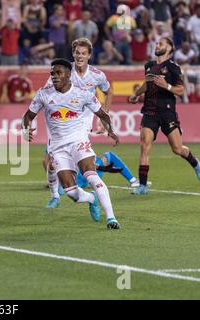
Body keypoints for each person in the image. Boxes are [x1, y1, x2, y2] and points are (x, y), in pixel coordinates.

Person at [22, 58, 121, 230]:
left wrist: (110, 129)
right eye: (52, 73)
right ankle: (91, 199)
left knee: (91, 176)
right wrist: (26, 130)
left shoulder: (83, 94)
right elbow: (27, 116)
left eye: (58, 73)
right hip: (58, 148)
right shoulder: (44, 94)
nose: (54, 76)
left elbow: (103, 114)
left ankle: (111, 218)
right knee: (72, 193)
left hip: (79, 142)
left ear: (69, 74)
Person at [43, 38, 114, 209]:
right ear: (73, 54)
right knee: (50, 162)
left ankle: (82, 188)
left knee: (75, 156)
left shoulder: (97, 75)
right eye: (77, 53)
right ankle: (55, 195)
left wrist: (104, 115)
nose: (79, 56)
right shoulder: (64, 71)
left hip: (82, 121)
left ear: (89, 55)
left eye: (83, 53)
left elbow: (109, 92)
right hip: (61, 120)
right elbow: (47, 91)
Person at [128, 37, 200, 195]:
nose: (157, 45)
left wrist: (166, 85)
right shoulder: (149, 66)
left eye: (161, 43)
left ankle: (196, 164)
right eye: (157, 43)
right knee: (144, 144)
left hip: (167, 111)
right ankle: (143, 186)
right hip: (149, 111)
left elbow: (180, 90)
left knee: (178, 149)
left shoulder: (173, 67)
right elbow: (147, 84)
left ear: (169, 48)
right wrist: (136, 94)